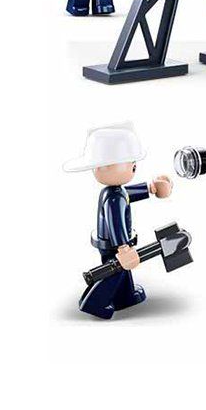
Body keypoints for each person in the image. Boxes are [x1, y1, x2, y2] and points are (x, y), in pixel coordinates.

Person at [64, 122, 173, 319]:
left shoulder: (116, 192)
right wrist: (123, 248)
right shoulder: (113, 198)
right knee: (115, 271)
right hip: (114, 244)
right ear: (102, 167)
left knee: (122, 271)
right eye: (130, 164)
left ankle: (126, 296)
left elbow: (128, 194)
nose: (133, 167)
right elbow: (116, 224)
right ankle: (94, 304)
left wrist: (151, 188)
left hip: (114, 243)